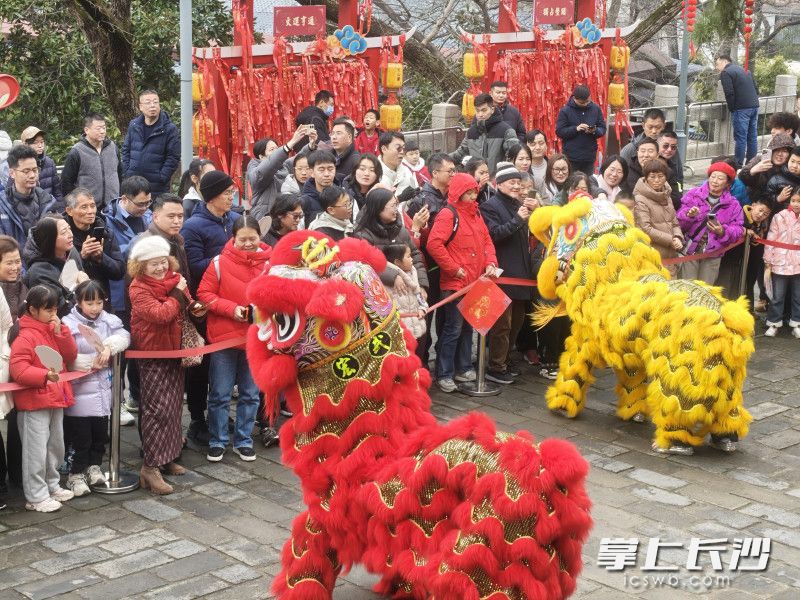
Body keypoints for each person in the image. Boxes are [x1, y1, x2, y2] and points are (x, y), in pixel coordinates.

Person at [197, 215, 268, 461]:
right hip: (224, 337)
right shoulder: (219, 262)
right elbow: (204, 293)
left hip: (256, 339)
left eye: (252, 239)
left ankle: (244, 440)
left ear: (260, 237)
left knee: (250, 394)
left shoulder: (270, 265)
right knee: (220, 393)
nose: (248, 244)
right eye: (242, 239)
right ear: (233, 239)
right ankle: (218, 440)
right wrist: (231, 309)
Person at [128, 236, 191, 494]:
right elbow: (161, 314)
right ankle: (150, 467)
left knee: (174, 406)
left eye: (163, 262)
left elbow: (185, 304)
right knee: (156, 409)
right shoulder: (138, 288)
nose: (160, 268)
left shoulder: (175, 279)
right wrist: (177, 294)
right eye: (153, 264)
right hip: (152, 353)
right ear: (141, 265)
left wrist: (195, 306)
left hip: (174, 350)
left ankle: (168, 457)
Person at [426, 173, 499, 392]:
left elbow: (487, 241)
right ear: (458, 193)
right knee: (453, 328)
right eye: (468, 193)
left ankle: (464, 367)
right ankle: (444, 373)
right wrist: (453, 268)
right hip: (456, 283)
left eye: (474, 192)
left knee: (468, 327)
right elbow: (434, 244)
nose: (473, 197)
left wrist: (491, 262)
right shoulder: (448, 214)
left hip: (475, 281)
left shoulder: (476, 213)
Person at [10, 285, 78, 512]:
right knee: (35, 451)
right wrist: (43, 375)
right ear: (33, 309)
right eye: (48, 310)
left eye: (55, 309)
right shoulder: (24, 335)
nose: (53, 314)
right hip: (34, 401)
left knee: (55, 446)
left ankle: (52, 485)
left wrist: (61, 332)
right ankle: (36, 496)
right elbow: (19, 369)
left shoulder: (52, 328)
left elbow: (70, 355)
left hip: (55, 396)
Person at [61, 280, 130, 496]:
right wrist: (88, 362)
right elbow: (66, 353)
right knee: (81, 438)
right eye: (90, 303)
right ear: (79, 302)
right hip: (80, 390)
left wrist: (109, 347)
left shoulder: (109, 320)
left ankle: (94, 467)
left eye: (99, 302)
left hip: (103, 388)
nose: (95, 308)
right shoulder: (68, 324)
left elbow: (124, 336)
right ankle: (75, 474)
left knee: (100, 436)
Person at [480, 163, 537, 384]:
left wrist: (534, 212)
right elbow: (494, 235)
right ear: (499, 184)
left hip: (521, 274)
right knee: (502, 324)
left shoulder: (519, 205)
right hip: (502, 273)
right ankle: (496, 366)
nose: (516, 186)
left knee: (517, 322)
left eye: (518, 183)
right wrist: (517, 220)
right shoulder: (490, 206)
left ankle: (505, 359)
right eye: (511, 182)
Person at [677, 162, 744, 284]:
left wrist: (723, 231)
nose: (715, 181)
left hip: (714, 253)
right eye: (713, 176)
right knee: (687, 287)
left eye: (720, 178)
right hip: (691, 250)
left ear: (727, 183)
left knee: (706, 288)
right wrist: (688, 215)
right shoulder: (693, 195)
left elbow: (738, 229)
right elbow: (678, 220)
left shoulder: (733, 204)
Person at [353, 188, 429, 292]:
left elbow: (415, 255)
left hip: (410, 288)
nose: (396, 209)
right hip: (382, 291)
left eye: (396, 205)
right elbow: (368, 265)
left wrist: (422, 285)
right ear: (378, 208)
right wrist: (393, 276)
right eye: (393, 206)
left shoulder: (400, 229)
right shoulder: (363, 236)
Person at [63, 189, 125, 300]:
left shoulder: (105, 232)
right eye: (84, 207)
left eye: (93, 206)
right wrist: (81, 256)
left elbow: (119, 272)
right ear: (69, 211)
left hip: (100, 297)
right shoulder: (61, 235)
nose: (91, 211)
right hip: (73, 299)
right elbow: (60, 275)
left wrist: (101, 258)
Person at [0, 235, 25, 503]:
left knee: (19, 418)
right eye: (9, 262)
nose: (16, 267)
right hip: (4, 357)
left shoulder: (22, 285)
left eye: (18, 261)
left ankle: (19, 473)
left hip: (19, 358)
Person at [181, 170, 235, 289]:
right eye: (226, 193)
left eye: (232, 192)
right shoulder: (192, 227)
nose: (231, 197)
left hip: (235, 285)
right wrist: (228, 257)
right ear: (211, 198)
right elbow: (195, 267)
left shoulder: (236, 219)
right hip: (208, 290)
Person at [24, 217, 88, 317]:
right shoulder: (40, 271)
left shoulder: (71, 251)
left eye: (69, 229)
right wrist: (84, 287)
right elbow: (58, 311)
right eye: (63, 232)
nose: (70, 235)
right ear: (50, 238)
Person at [121, 90, 180, 195]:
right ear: (141, 107)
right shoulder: (134, 125)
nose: (152, 105)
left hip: (156, 186)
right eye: (148, 102)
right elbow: (126, 150)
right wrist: (127, 171)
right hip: (133, 183)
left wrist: (162, 177)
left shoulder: (169, 129)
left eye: (155, 102)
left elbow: (173, 157)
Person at [0, 144, 59, 247]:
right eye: (26, 171)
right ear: (12, 173)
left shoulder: (48, 201)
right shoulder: (2, 205)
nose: (32, 175)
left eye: (35, 170)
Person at [633, 159, 683, 276]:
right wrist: (670, 240)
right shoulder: (640, 199)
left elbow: (674, 222)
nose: (657, 180)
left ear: (666, 177)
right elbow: (646, 229)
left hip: (671, 255)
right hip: (652, 256)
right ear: (646, 177)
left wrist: (677, 237)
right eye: (652, 177)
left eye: (660, 176)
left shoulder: (667, 196)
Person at [61, 114, 122, 209]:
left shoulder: (112, 147)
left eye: (104, 128)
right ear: (86, 130)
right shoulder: (77, 151)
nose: (102, 131)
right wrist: (74, 205)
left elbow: (120, 174)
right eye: (98, 128)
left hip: (113, 205)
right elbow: (66, 182)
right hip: (88, 207)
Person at [249, 125, 309, 220]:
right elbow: (267, 166)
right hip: (265, 218)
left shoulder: (284, 166)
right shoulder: (256, 171)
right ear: (261, 156)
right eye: (272, 150)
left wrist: (310, 146)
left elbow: (298, 158)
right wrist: (290, 143)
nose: (276, 152)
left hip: (285, 217)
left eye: (277, 148)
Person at [451, 93, 519, 175]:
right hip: (475, 179)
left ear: (492, 109)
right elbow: (460, 154)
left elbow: (514, 158)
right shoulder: (471, 132)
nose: (480, 114)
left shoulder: (506, 131)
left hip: (497, 179)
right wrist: (441, 160)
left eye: (484, 110)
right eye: (477, 111)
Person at [764, 188, 800, 337]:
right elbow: (771, 238)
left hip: (798, 262)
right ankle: (774, 322)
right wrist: (768, 260)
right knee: (777, 295)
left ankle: (796, 323)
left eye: (799, 201)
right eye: (793, 200)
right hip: (780, 261)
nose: (796, 204)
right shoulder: (779, 216)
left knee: (798, 296)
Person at [715, 54, 760, 166]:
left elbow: (729, 93)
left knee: (741, 138)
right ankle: (751, 163)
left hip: (741, 108)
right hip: (754, 106)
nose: (717, 67)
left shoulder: (726, 72)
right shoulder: (745, 70)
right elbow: (756, 89)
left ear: (724, 61)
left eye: (717, 64)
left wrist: (732, 108)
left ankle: (738, 164)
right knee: (752, 137)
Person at [555, 85, 606, 175]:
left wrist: (594, 130)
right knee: (572, 181)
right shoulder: (565, 111)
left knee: (587, 181)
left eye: (587, 101)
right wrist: (576, 129)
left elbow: (602, 128)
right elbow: (560, 131)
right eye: (582, 103)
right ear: (574, 98)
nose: (585, 104)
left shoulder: (595, 109)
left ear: (589, 97)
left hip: (589, 156)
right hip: (571, 157)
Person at [382, 244, 427, 341]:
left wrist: (422, 309)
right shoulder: (387, 284)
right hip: (400, 334)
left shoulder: (413, 274)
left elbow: (420, 299)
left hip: (419, 328)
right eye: (408, 256)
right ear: (397, 262)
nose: (412, 259)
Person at [739, 133, 795, 200]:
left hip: (777, 202)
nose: (780, 154)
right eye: (777, 150)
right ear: (771, 150)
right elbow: (741, 178)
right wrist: (752, 171)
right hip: (754, 200)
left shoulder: (792, 166)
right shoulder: (759, 160)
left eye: (784, 151)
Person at [19, 126, 62, 205]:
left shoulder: (49, 163)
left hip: (48, 208)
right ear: (25, 145)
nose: (40, 145)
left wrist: (60, 209)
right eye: (35, 143)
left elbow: (57, 191)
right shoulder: (18, 165)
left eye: (42, 142)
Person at [299, 150, 338, 226]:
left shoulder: (345, 197)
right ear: (312, 172)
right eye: (321, 170)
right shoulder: (304, 202)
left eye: (330, 169)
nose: (326, 174)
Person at [379, 131, 418, 196]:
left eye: (403, 148)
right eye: (398, 148)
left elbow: (415, 195)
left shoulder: (407, 171)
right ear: (384, 149)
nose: (402, 152)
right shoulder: (374, 174)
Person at [655, 131, 684, 209]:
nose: (669, 149)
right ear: (657, 145)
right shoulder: (653, 166)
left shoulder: (673, 163)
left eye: (673, 147)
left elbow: (679, 182)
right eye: (665, 146)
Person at [330, 118, 361, 183]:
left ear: (349, 137)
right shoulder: (328, 157)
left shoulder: (356, 161)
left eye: (338, 133)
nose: (334, 137)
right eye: (332, 133)